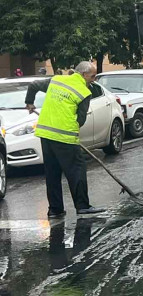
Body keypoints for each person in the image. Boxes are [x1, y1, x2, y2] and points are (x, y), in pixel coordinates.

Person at [25, 61, 105, 218]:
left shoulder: (56, 80)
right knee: (77, 170)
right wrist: (71, 125)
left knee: (53, 173)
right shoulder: (84, 92)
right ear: (83, 74)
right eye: (92, 76)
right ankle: (82, 206)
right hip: (65, 137)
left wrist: (29, 102)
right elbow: (81, 120)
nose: (94, 79)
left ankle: (55, 209)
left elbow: (33, 85)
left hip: (46, 134)